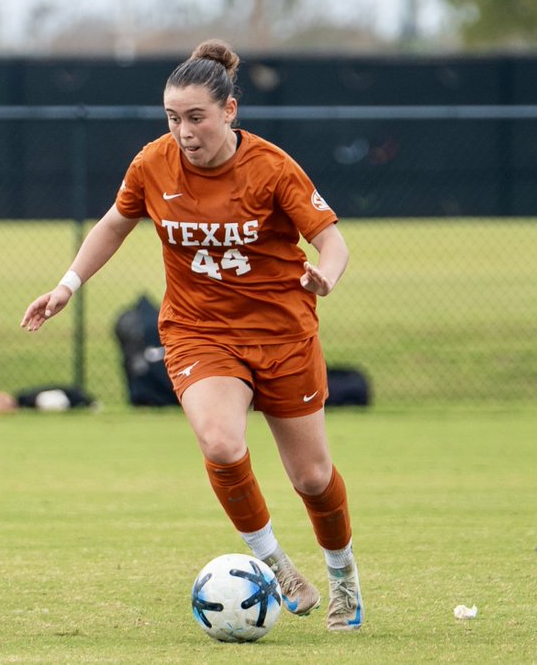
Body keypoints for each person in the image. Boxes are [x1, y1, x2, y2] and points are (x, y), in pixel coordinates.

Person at [21, 40, 361, 631]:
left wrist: (324, 276)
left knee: (311, 477)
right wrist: (67, 286)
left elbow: (332, 240)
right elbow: (115, 223)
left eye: (196, 117)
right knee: (221, 444)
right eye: (172, 118)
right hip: (199, 333)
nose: (183, 131)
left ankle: (343, 577)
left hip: (283, 336)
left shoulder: (272, 168)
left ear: (230, 111)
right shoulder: (152, 163)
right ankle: (277, 567)